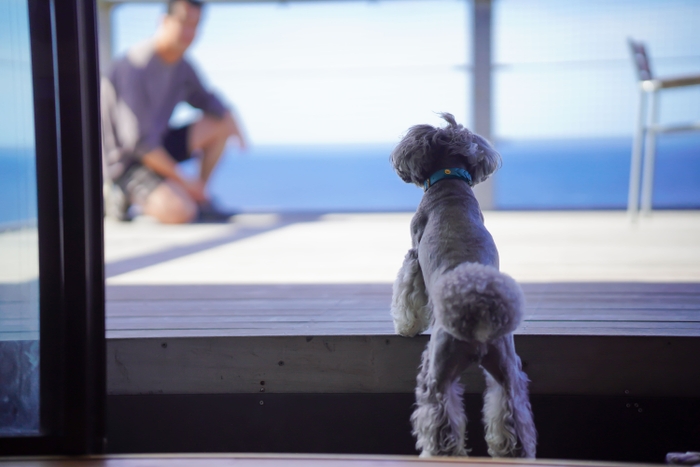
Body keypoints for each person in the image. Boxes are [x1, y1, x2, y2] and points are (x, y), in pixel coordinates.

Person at [101, 0, 246, 223]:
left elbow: (207, 101)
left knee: (220, 123)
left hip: (156, 144)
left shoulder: (181, 66)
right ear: (164, 21)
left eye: (195, 24)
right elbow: (139, 143)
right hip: (127, 161)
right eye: (183, 22)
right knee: (180, 212)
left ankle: (197, 198)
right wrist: (186, 182)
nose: (189, 31)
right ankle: (119, 195)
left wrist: (231, 118)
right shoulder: (135, 66)